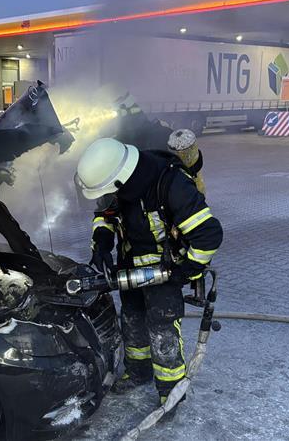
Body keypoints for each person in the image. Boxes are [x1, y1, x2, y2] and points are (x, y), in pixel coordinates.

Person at [75, 137, 223, 404]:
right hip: (131, 265)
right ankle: (138, 372)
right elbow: (105, 214)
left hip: (166, 270)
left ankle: (170, 392)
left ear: (121, 181)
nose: (107, 198)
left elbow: (208, 235)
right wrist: (102, 244)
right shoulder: (122, 180)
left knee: (162, 327)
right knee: (131, 318)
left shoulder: (171, 184)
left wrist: (186, 270)